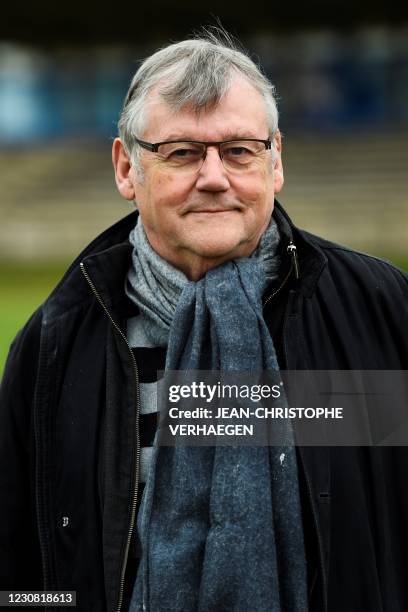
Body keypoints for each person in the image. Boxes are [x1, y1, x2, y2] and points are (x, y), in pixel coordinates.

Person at [1, 29, 407, 612]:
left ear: (276, 162)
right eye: (182, 153)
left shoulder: (377, 311)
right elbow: (20, 562)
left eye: (240, 150)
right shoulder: (56, 343)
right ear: (126, 167)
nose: (214, 176)